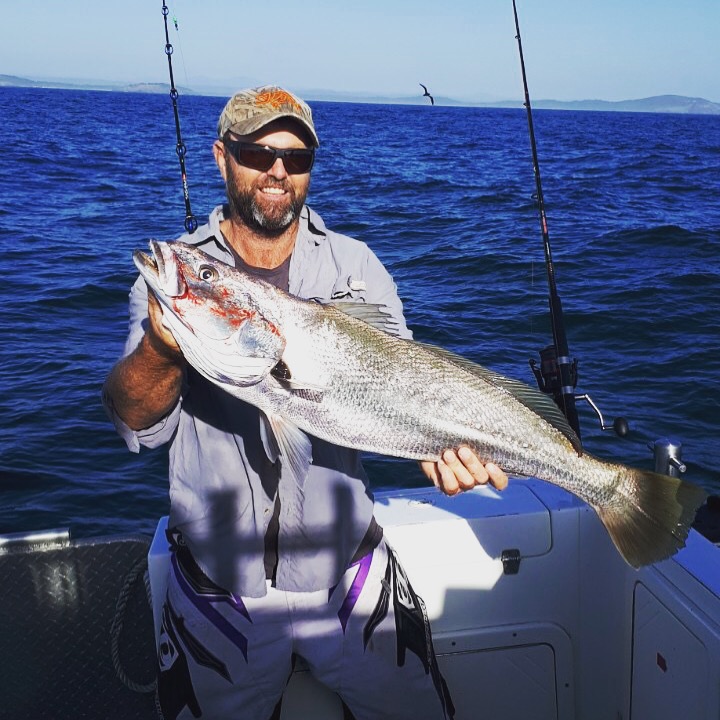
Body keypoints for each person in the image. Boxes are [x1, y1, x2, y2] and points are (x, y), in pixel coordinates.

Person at [103, 85, 508, 720]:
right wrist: (163, 342)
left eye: (297, 158)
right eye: (257, 152)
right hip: (219, 583)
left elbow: (404, 391)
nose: (277, 171)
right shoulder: (176, 277)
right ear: (221, 157)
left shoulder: (355, 267)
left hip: (347, 567)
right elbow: (134, 421)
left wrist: (442, 452)